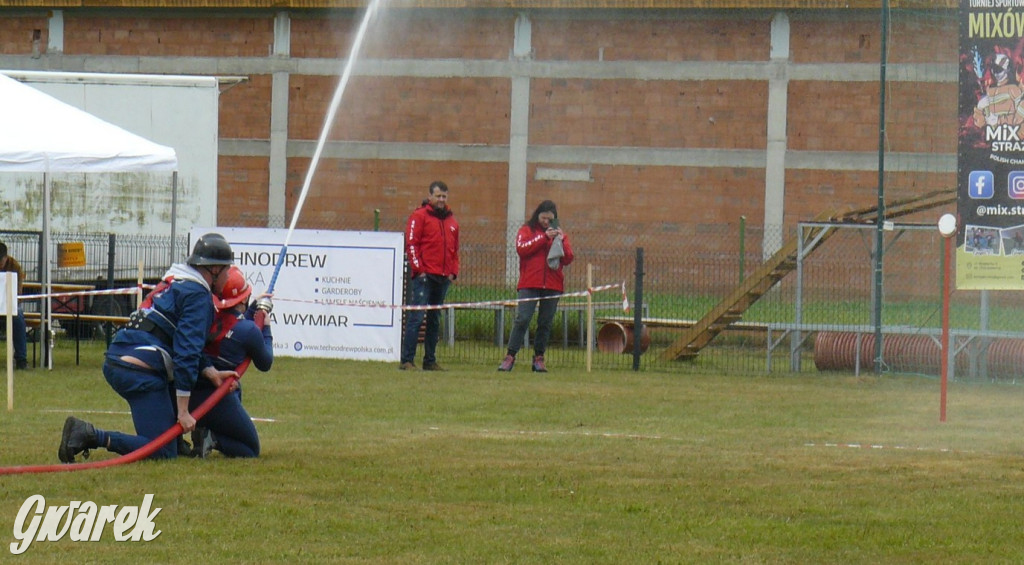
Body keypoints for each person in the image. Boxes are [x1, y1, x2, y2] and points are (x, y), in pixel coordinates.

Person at [57, 233, 238, 462]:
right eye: (227, 269)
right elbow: (186, 352)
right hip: (139, 370)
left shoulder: (177, 283)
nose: (229, 275)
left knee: (166, 442)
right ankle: (90, 435)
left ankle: (172, 442)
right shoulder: (197, 296)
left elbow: (172, 333)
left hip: (123, 357)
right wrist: (183, 411)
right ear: (213, 270)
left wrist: (209, 371)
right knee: (161, 451)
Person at [190, 265, 274, 458]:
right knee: (250, 449)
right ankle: (212, 438)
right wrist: (267, 329)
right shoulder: (249, 331)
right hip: (219, 395)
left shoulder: (207, 315)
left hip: (192, 391)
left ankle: (205, 429)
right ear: (243, 297)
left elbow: (232, 320)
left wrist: (255, 307)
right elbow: (265, 362)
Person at [497, 200, 574, 373]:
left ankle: (539, 358)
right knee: (523, 318)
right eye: (543, 218)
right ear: (537, 216)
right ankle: (510, 356)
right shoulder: (527, 231)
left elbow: (568, 258)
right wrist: (543, 237)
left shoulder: (560, 234)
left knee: (545, 322)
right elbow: (522, 249)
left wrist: (560, 240)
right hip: (530, 283)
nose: (546, 222)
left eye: (550, 219)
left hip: (553, 284)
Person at [400, 180, 460, 371]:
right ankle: (407, 360)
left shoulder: (452, 221)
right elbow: (411, 245)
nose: (441, 199)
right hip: (424, 277)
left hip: (443, 278)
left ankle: (430, 360)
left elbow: (455, 250)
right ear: (430, 196)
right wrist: (419, 270)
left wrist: (453, 272)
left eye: (444, 196)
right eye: (438, 196)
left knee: (434, 320)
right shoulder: (418, 216)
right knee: (417, 317)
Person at [0, 242, 29, 370]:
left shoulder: (15, 266)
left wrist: (9, 304)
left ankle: (21, 359)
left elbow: (18, 292)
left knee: (18, 315)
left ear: (6, 258)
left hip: (8, 305)